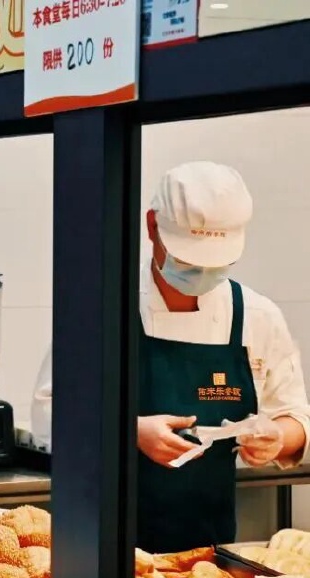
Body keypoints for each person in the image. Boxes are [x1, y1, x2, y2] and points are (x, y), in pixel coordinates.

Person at [31, 161, 310, 553]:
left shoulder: (257, 316)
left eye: (215, 263)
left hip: (208, 558)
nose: (200, 272)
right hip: (99, 554)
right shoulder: (101, 308)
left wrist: (277, 438)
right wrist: (130, 432)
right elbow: (50, 417)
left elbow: (296, 419)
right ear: (152, 227)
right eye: (188, 259)